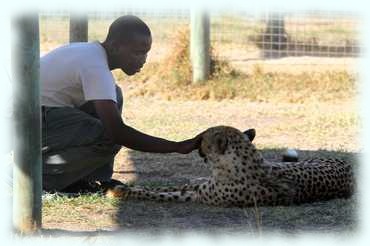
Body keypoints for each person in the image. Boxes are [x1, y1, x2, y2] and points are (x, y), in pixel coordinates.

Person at [41, 15, 203, 193]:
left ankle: (92, 179)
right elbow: (118, 133)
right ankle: (32, 178)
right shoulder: (95, 65)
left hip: (45, 114)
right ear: (115, 46)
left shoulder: (92, 54)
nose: (144, 59)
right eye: (137, 52)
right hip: (29, 120)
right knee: (109, 138)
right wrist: (177, 146)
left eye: (146, 52)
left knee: (114, 94)